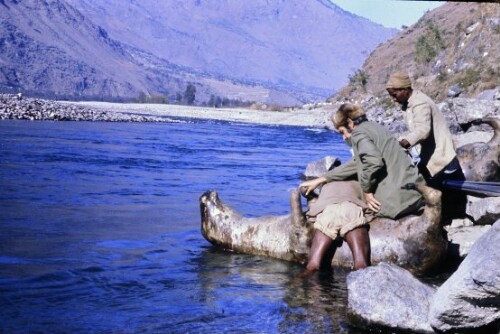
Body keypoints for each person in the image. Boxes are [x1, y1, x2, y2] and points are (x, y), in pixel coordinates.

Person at [299, 103, 425, 273]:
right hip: (414, 193)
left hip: (397, 201)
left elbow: (372, 162)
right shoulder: (374, 128)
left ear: (350, 123)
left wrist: (367, 191)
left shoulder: (358, 134)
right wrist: (322, 178)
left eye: (342, 132)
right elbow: (357, 163)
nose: (344, 138)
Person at [386, 71, 466, 219]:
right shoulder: (410, 103)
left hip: (440, 154)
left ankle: (452, 218)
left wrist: (405, 141)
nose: (393, 99)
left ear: (404, 90)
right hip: (428, 153)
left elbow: (423, 130)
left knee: (438, 190)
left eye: (394, 95)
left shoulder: (420, 103)